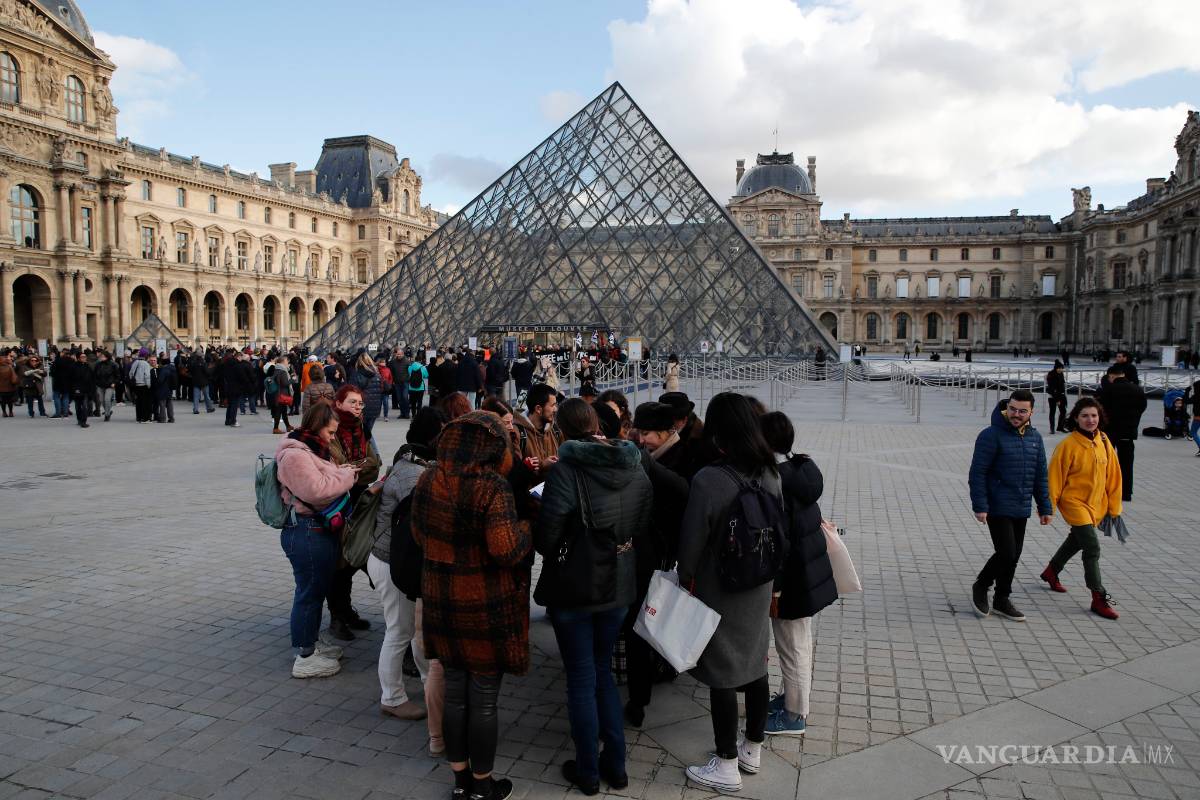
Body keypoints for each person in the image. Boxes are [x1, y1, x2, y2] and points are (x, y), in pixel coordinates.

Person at [412, 412, 532, 800]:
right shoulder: (491, 486)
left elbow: (418, 533)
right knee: (483, 699)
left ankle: (460, 781)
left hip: (441, 600)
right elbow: (506, 549)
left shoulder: (429, 477)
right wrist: (527, 528)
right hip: (483, 604)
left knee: (456, 693)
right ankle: (482, 785)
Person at [534, 399, 651, 795]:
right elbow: (642, 519)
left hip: (577, 582)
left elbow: (547, 535)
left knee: (582, 678)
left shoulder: (566, 470)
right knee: (602, 674)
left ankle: (587, 770)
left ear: (562, 431)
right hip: (619, 581)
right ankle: (616, 767)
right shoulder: (634, 462)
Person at [677, 393, 779, 793]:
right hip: (759, 582)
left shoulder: (709, 479)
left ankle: (725, 765)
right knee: (756, 663)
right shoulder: (771, 473)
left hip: (720, 587)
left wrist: (685, 578)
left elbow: (691, 544)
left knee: (722, 673)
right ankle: (753, 748)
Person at [759, 411, 837, 736]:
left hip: (792, 579)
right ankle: (791, 699)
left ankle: (794, 715)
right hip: (805, 574)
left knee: (793, 648)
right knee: (797, 644)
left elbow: (782, 542)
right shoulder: (800, 470)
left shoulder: (777, 482)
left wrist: (776, 587)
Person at [368, 409, 446, 727]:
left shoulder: (414, 460)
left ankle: (429, 683)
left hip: (396, 560)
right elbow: (424, 521)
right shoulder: (412, 473)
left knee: (411, 629)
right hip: (392, 562)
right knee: (399, 631)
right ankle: (392, 698)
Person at [275, 401, 358, 678]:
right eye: (330, 432)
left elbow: (323, 479)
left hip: (317, 530)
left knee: (316, 590)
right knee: (309, 593)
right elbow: (316, 490)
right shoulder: (295, 455)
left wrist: (341, 472)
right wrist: (347, 476)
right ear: (316, 426)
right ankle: (305, 656)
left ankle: (311, 641)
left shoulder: (313, 448)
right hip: (306, 531)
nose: (332, 438)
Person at [623, 402, 688, 727]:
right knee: (642, 624)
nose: (642, 439)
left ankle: (641, 694)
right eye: (639, 432)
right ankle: (641, 693)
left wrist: (647, 464)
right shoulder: (651, 453)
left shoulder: (681, 456)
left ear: (667, 432)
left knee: (644, 625)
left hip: (664, 558)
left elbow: (683, 492)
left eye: (647, 433)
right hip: (648, 555)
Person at [967, 390, 1052, 621]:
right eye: (1012, 409)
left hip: (1021, 505)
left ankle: (1001, 599)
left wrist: (1045, 507)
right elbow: (978, 473)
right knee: (1007, 552)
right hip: (997, 505)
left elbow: (1040, 475)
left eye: (1022, 411)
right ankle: (981, 585)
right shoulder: (991, 435)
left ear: (1031, 413)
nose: (1016, 414)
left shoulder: (1035, 438)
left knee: (1014, 556)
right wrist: (980, 505)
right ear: (1007, 408)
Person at [1042, 397, 1122, 620]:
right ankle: (1098, 597)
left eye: (1094, 415)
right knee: (1092, 547)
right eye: (1085, 415)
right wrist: (1048, 508)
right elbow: (1054, 479)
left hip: (1096, 504)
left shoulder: (1104, 440)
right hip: (1074, 503)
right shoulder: (1067, 445)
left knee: (1076, 540)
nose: (1090, 420)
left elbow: (1114, 475)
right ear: (1076, 418)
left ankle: (1051, 571)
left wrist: (1114, 507)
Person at [325, 383, 381, 641]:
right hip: (337, 502)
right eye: (352, 402)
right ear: (338, 403)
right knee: (340, 562)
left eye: (360, 403)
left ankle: (345, 611)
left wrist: (351, 469)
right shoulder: (331, 429)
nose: (358, 407)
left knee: (356, 557)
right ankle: (338, 616)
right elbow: (336, 466)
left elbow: (374, 465)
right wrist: (353, 469)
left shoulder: (362, 428)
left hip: (360, 500)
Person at [1096, 365, 1146, 502]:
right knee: (1127, 463)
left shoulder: (1109, 390)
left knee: (1107, 462)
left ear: (1111, 376)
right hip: (1128, 432)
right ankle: (1126, 492)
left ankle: (1106, 489)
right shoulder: (1137, 389)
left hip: (1110, 431)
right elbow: (1142, 407)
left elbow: (1101, 409)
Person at [513, 383, 562, 476]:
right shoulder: (517, 434)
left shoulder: (555, 429)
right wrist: (542, 466)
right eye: (552, 405)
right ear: (538, 409)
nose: (555, 409)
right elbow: (514, 474)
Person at [267, 356, 295, 434]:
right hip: (282, 394)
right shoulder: (282, 371)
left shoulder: (277, 369)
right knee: (279, 411)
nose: (287, 362)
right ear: (282, 362)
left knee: (283, 411)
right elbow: (285, 383)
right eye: (286, 361)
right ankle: (276, 428)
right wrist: (292, 380)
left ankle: (288, 426)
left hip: (278, 393)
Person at [93, 352, 120, 422]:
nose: (101, 357)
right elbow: (94, 374)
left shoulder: (113, 364)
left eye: (103, 356)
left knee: (107, 399)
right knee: (102, 400)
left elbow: (117, 375)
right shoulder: (98, 364)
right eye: (101, 356)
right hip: (100, 385)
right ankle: (108, 411)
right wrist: (96, 382)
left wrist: (114, 383)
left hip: (110, 385)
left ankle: (107, 415)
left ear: (107, 357)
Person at [1045, 360, 1068, 434]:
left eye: (1061, 368)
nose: (1060, 370)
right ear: (1056, 368)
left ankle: (1060, 427)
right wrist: (1057, 400)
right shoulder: (1051, 374)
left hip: (1061, 395)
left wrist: (1063, 397)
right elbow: (1052, 389)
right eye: (1059, 368)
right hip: (1052, 396)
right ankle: (1052, 428)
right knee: (1052, 412)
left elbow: (1062, 386)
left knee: (1063, 411)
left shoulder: (1061, 374)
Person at [152, 355, 176, 423]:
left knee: (162, 404)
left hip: (162, 389)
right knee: (169, 404)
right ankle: (171, 418)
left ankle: (162, 418)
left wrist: (156, 383)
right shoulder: (173, 368)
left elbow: (160, 380)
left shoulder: (164, 370)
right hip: (169, 389)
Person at [1186, 377, 1200, 455]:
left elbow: (1186, 401)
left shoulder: (1196, 396)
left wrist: (1187, 391)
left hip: (1198, 417)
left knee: (1193, 432)